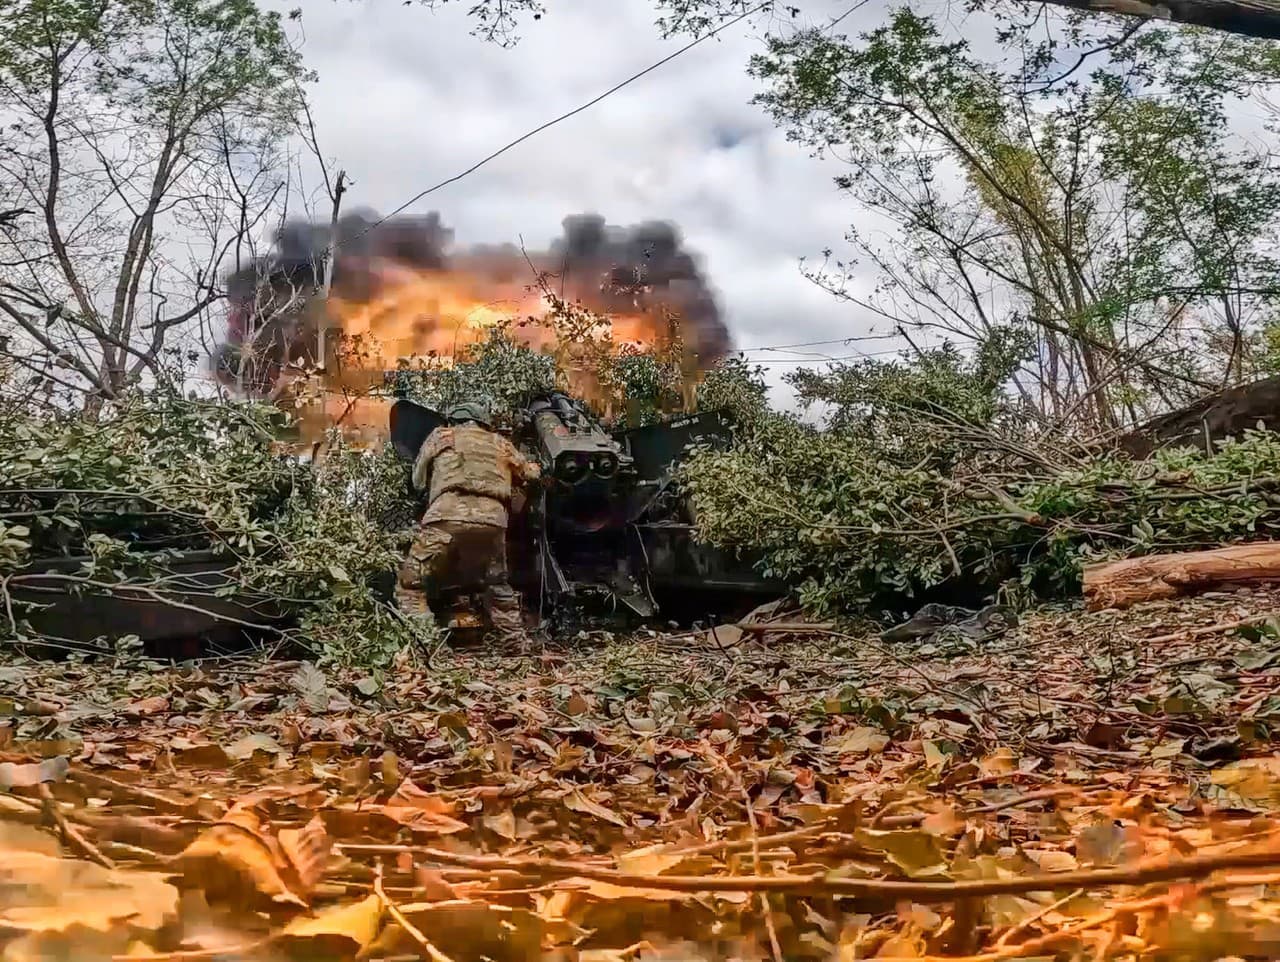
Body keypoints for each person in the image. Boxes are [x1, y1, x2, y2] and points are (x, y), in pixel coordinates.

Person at [396, 400, 541, 640]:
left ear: (453, 419)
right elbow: (531, 474)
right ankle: (516, 645)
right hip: (492, 523)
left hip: (446, 517)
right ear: (484, 422)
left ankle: (427, 642)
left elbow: (418, 480)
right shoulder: (500, 443)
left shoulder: (441, 435)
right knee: (497, 586)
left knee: (411, 585)